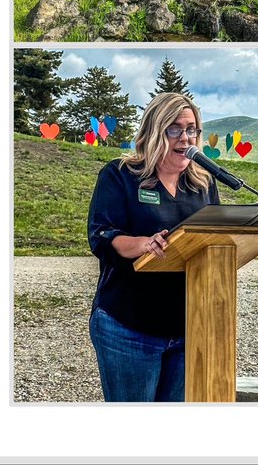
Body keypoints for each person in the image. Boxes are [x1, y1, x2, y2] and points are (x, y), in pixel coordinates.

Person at [86, 92, 220, 401]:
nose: (185, 137)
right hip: (129, 326)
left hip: (190, 328)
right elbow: (102, 235)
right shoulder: (121, 175)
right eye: (174, 129)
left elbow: (214, 237)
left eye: (191, 129)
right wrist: (145, 244)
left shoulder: (203, 184)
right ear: (154, 131)